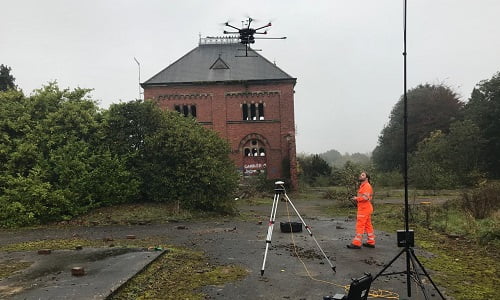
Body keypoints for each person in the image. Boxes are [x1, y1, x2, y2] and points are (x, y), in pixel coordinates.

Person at [347, 171, 375, 249]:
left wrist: (356, 198)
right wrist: (357, 198)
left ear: (367, 178)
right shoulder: (363, 186)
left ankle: (356, 243)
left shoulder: (366, 186)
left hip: (364, 209)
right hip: (365, 208)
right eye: (361, 174)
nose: (360, 176)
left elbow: (365, 198)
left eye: (363, 175)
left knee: (360, 225)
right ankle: (371, 242)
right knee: (368, 225)